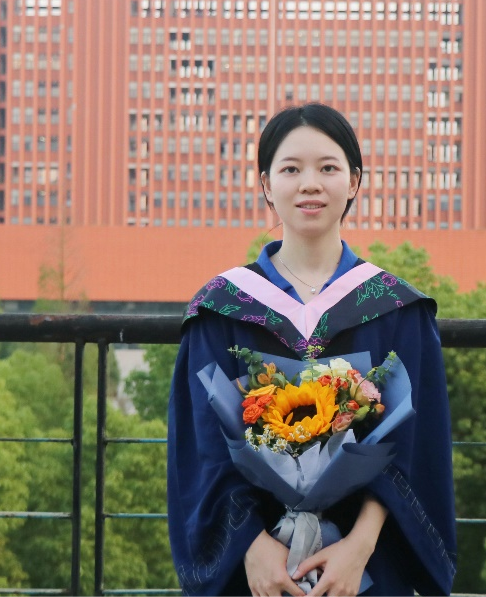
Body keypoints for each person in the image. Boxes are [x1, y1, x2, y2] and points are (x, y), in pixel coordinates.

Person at [167, 103, 456, 597]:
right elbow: (203, 445)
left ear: (354, 181)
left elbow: (414, 444)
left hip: (365, 566)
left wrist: (358, 547)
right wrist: (253, 548)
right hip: (254, 569)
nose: (310, 185)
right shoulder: (223, 309)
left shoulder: (396, 309)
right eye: (290, 170)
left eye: (327, 168)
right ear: (266, 184)